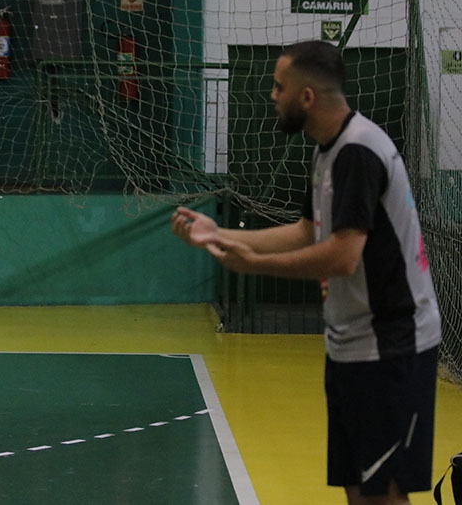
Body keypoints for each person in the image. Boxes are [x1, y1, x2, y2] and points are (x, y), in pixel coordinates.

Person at [172, 40, 441, 504]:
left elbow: (342, 256)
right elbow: (306, 231)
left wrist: (255, 264)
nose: (273, 96)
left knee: (385, 492)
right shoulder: (327, 153)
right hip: (351, 343)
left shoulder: (358, 151)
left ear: (308, 97)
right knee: (359, 487)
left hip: (393, 345)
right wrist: (220, 235)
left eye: (280, 87)